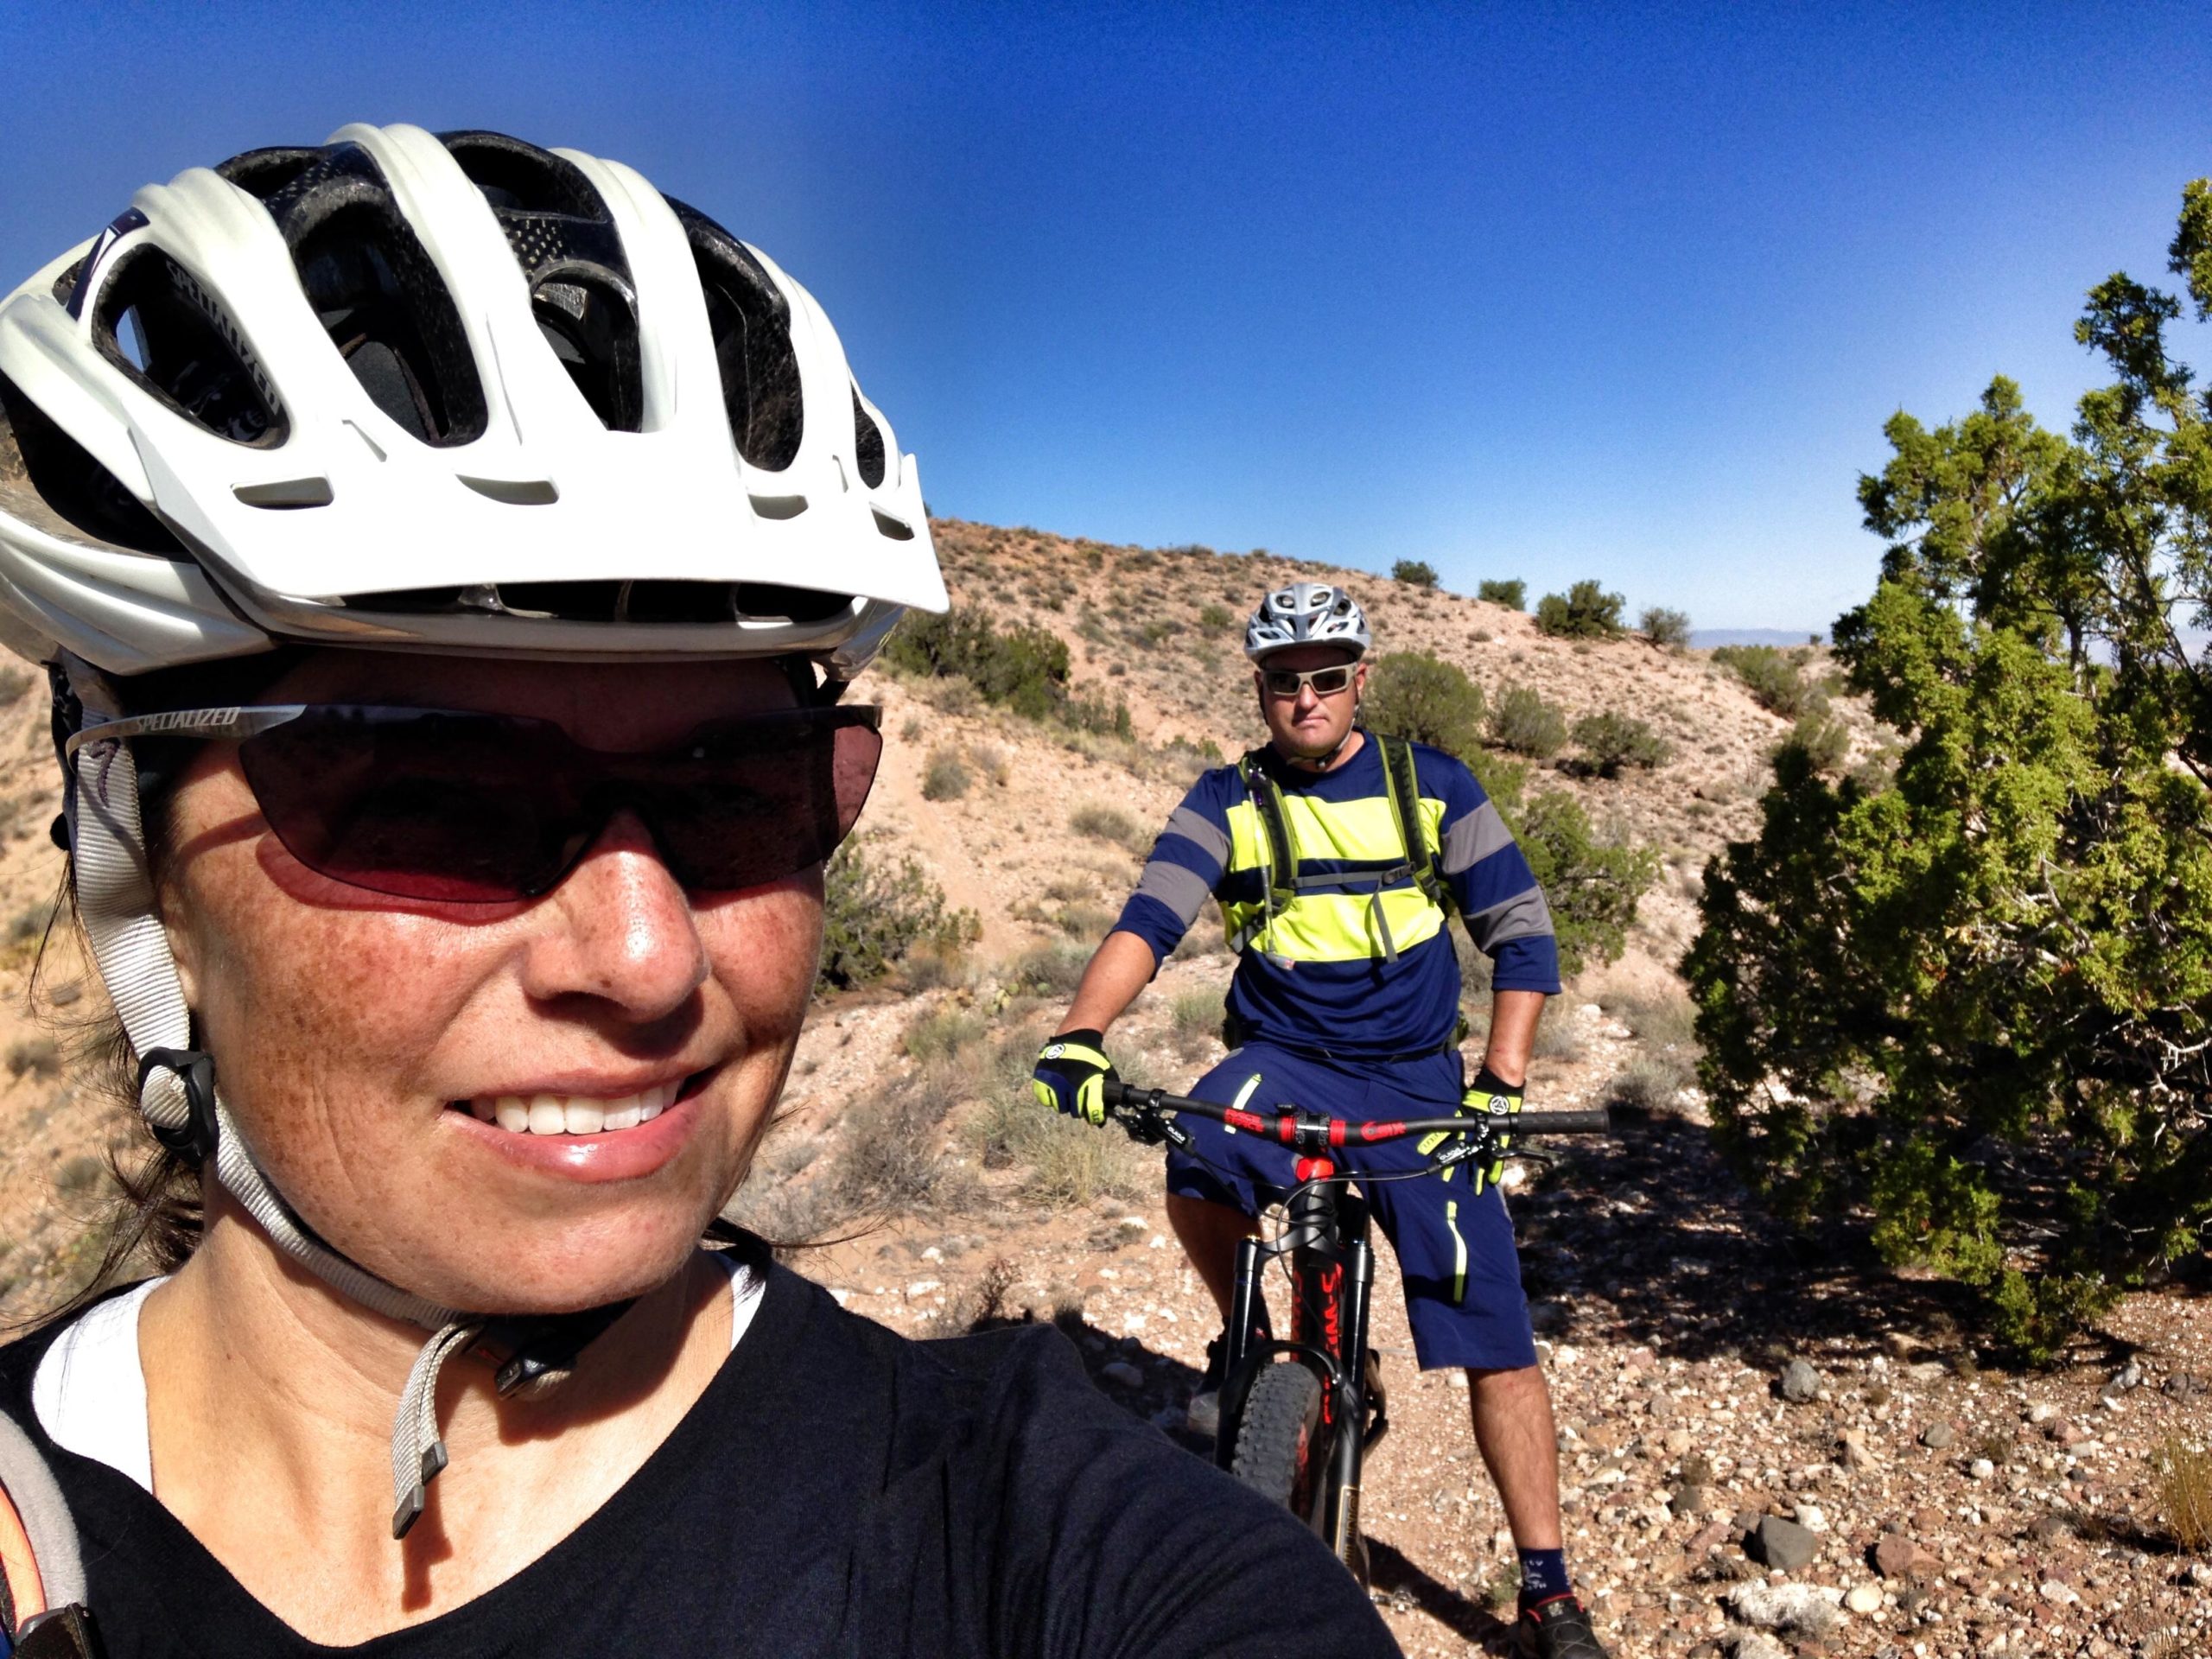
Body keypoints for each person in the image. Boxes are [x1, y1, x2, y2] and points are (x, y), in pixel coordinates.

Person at [0, 124, 1400, 1658]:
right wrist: (1085, 1034)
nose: (650, 959)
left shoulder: (1016, 1530)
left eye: (743, 789)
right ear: (141, 871)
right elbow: (1155, 911)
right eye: (439, 800)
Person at [1033, 583, 1611, 1658]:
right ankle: (1243, 1340)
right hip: (1284, 1059)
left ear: (1361, 679)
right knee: (1200, 1148)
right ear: (1259, 688)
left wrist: (1501, 1081)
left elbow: (1521, 934)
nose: (1307, 697)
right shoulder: (1227, 798)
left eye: (1328, 675)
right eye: (1285, 680)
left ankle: (1545, 1589)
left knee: (1491, 1330)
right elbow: (1148, 920)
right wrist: (1081, 1035)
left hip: (1419, 1082)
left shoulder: (1431, 786)